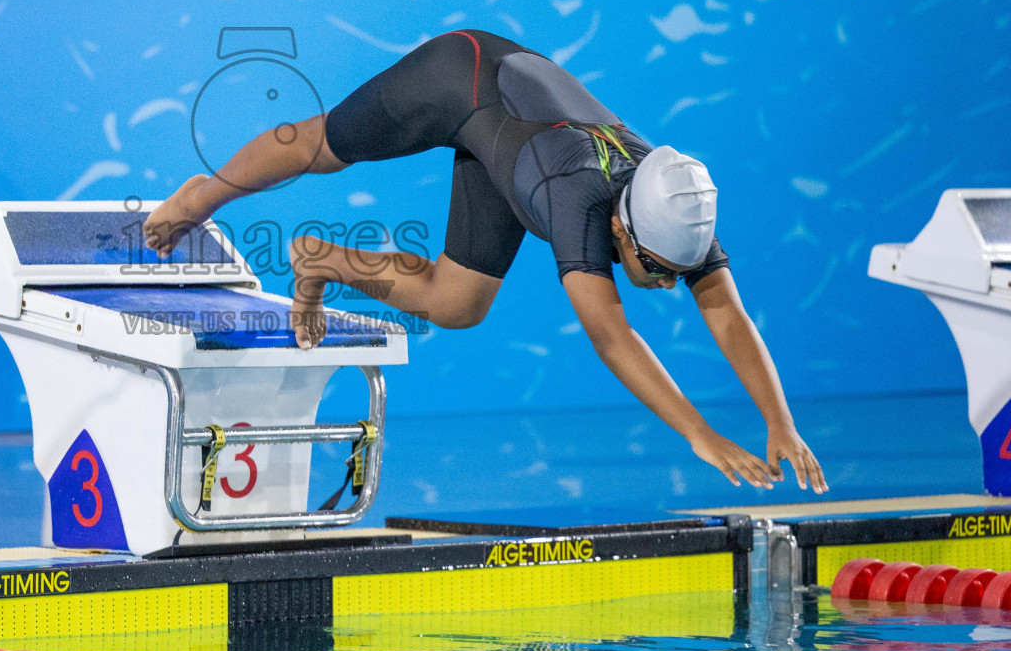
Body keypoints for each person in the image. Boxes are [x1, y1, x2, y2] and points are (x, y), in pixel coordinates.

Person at [146, 29, 828, 494]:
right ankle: (202, 195)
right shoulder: (579, 204)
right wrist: (701, 435)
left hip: (514, 138)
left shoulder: (676, 201)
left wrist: (780, 422)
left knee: (457, 304)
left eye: (681, 271)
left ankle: (319, 260)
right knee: (321, 147)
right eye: (660, 269)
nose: (672, 282)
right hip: (460, 77)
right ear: (624, 230)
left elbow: (728, 314)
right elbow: (613, 338)